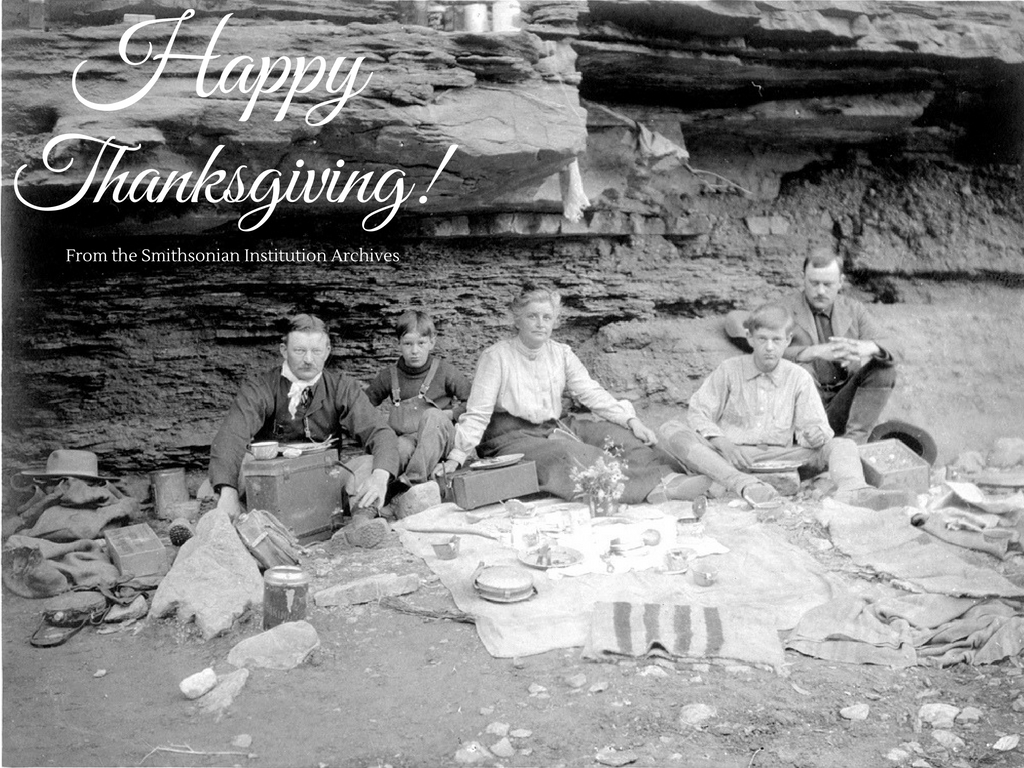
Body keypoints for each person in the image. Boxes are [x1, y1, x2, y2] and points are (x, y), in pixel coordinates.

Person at [437, 283, 709, 504]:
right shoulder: (496, 357)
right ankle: (654, 489)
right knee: (568, 454)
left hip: (556, 424)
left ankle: (668, 478)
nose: (540, 324)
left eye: (547, 317)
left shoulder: (561, 353)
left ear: (555, 321)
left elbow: (591, 393)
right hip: (508, 436)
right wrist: (457, 455)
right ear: (517, 319)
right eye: (532, 316)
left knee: (617, 438)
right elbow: (478, 413)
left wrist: (631, 421)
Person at [208, 314, 399, 547]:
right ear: (283, 350)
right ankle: (212, 522)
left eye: (316, 351)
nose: (309, 360)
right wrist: (227, 491)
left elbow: (380, 433)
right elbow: (231, 436)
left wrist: (380, 476)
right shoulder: (260, 387)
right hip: (271, 483)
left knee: (370, 465)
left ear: (328, 350)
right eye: (299, 351)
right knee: (234, 469)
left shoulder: (341, 387)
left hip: (323, 482)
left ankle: (361, 522)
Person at [660, 303, 877, 505]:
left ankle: (854, 490)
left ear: (788, 340)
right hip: (729, 455)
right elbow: (699, 412)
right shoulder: (729, 370)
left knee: (843, 445)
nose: (769, 347)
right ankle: (743, 483)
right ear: (749, 337)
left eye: (776, 339)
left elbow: (815, 428)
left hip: (782, 456)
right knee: (671, 430)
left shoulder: (798, 377)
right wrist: (725, 444)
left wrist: (814, 435)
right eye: (762, 339)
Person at [729, 248, 902, 443]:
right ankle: (809, 445)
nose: (820, 291)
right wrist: (810, 352)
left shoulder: (853, 310)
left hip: (842, 403)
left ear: (841, 282)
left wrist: (870, 347)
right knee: (801, 370)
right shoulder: (783, 309)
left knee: (884, 368)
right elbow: (741, 327)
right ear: (803, 278)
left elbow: (895, 346)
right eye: (814, 283)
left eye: (827, 284)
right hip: (801, 410)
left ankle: (853, 444)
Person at [365, 310, 472, 486]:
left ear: (432, 342)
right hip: (408, 440)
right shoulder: (389, 376)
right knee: (398, 447)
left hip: (441, 440)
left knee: (433, 415)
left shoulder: (444, 371)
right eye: (408, 344)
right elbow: (362, 407)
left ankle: (411, 481)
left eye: (421, 343)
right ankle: (384, 491)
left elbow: (474, 402)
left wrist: (451, 415)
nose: (415, 351)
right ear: (398, 343)